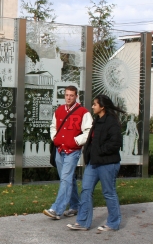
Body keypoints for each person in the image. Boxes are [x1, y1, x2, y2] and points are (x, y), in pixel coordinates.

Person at [67, 94, 124, 231]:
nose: (92, 106)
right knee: (86, 190)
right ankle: (82, 222)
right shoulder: (97, 121)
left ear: (102, 107)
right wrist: (89, 153)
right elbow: (91, 141)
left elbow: (115, 144)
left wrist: (98, 151)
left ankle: (113, 223)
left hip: (108, 164)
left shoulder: (112, 122)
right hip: (93, 163)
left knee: (109, 192)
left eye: (95, 104)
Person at [43, 86, 92, 220]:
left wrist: (77, 141)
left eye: (71, 95)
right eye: (66, 95)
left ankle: (56, 209)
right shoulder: (59, 111)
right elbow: (53, 126)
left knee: (65, 178)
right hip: (59, 150)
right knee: (68, 179)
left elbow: (89, 131)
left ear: (76, 96)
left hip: (72, 151)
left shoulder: (83, 112)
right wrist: (54, 138)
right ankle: (75, 205)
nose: (69, 97)